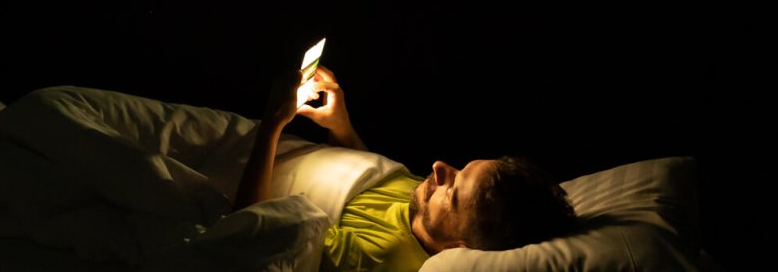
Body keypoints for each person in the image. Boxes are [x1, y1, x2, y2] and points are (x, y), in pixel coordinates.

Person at [236, 65, 576, 271]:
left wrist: (272, 123)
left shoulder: (375, 259)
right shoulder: (426, 207)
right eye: (459, 169)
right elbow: (372, 183)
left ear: (459, 247)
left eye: (452, 192)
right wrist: (340, 126)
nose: (439, 167)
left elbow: (257, 234)